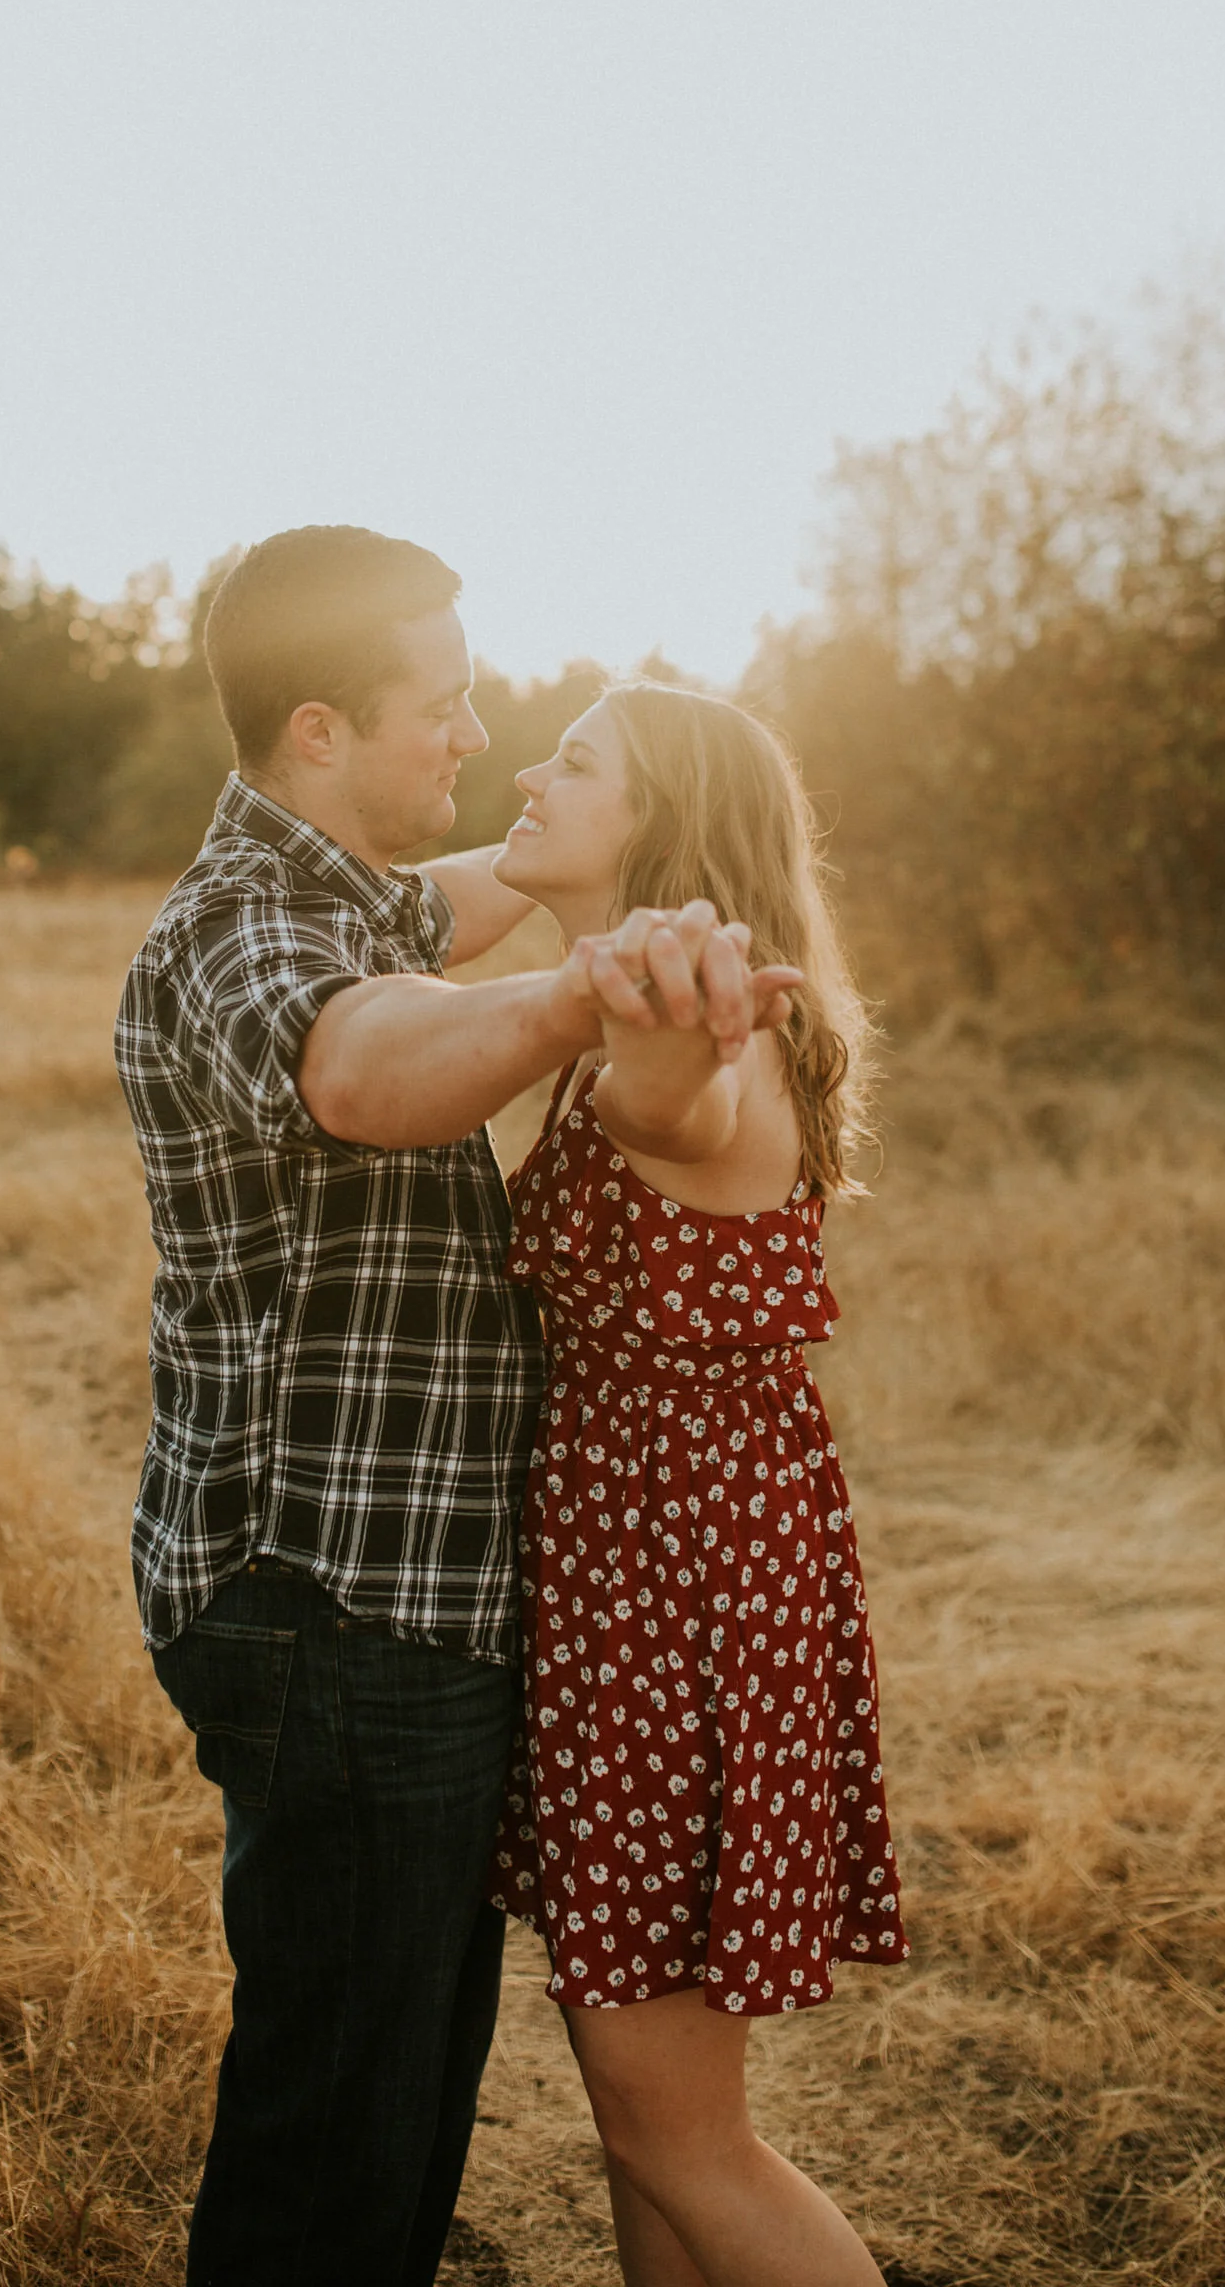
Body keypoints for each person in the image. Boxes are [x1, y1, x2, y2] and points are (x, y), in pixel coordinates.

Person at [113, 529, 789, 2287]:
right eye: (448, 705)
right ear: (322, 730)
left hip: (402, 1605)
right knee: (338, 2140)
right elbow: (361, 1067)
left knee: (402, 2098)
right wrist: (579, 993)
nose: (479, 739)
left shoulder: (351, 891)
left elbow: (482, 887)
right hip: (331, 1598)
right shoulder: (247, 931)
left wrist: (632, 877)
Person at [488, 681, 908, 2287]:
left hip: (676, 1600)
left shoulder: (688, 1054)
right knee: (641, 2121)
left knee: (682, 2136)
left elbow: (676, 1105)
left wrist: (667, 1049)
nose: (530, 771)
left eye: (574, 761)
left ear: (658, 825)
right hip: (681, 1570)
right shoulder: (640, 1014)